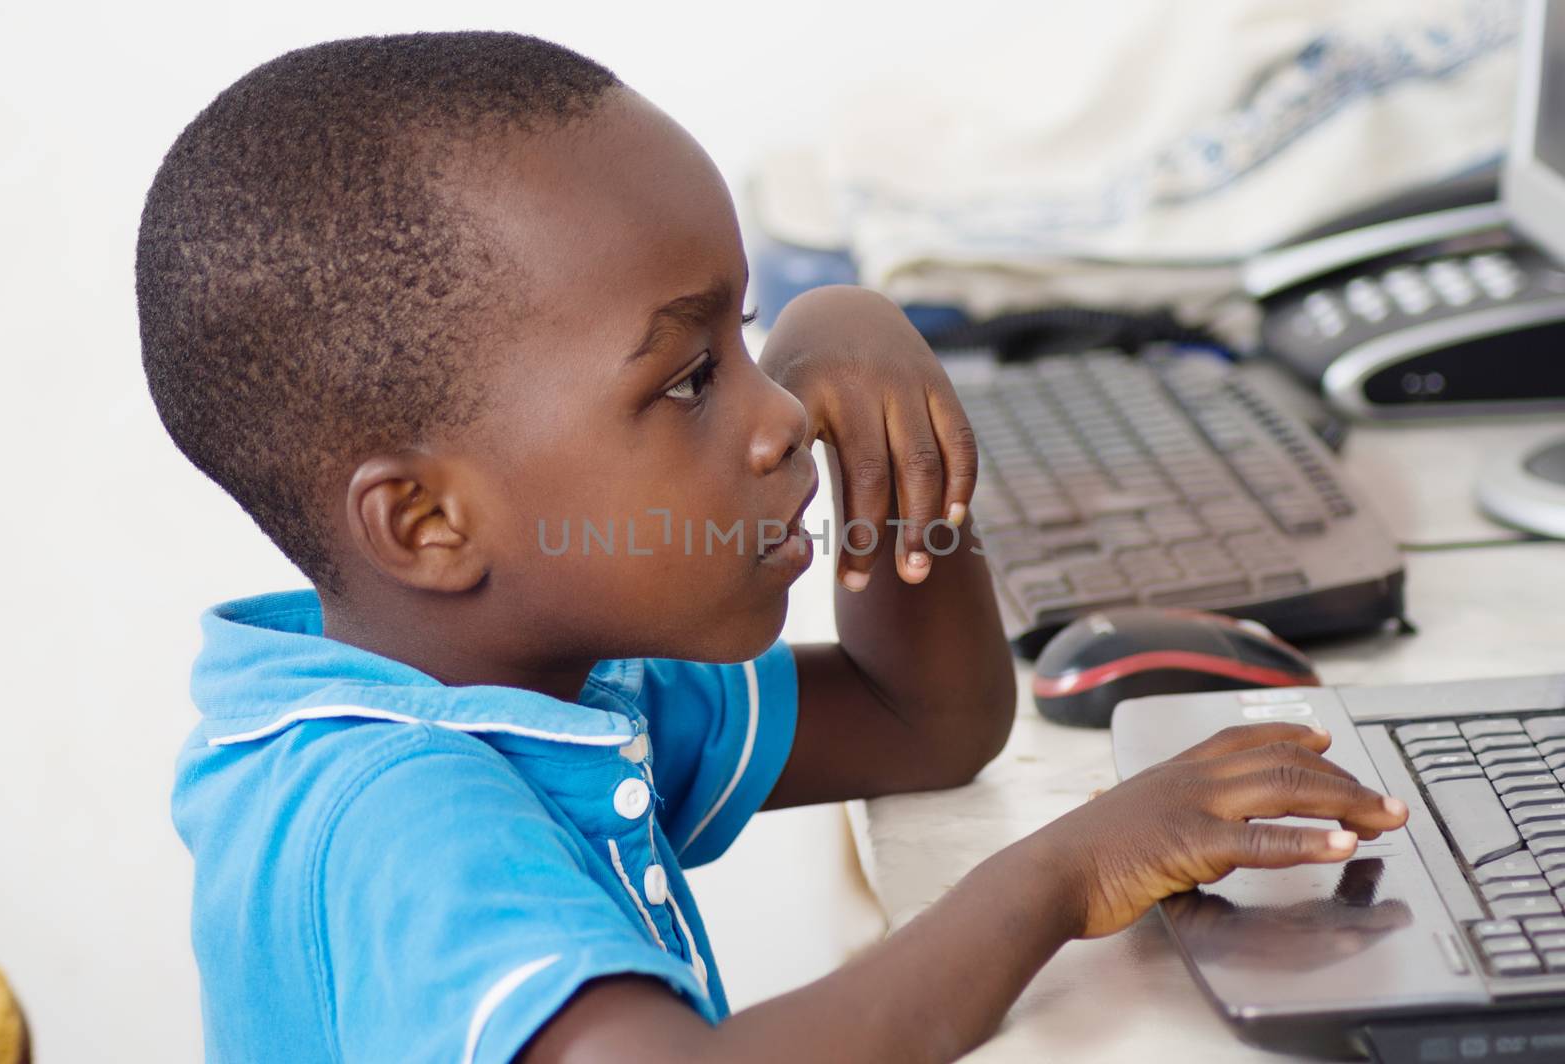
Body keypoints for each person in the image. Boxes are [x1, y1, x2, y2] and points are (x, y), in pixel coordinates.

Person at [135, 31, 1410, 1063]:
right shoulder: (394, 808)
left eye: (746, 335)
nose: (779, 414)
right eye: (691, 377)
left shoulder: (542, 678)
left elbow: (930, 719)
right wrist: (1063, 875)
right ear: (428, 523)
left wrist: (868, 368)